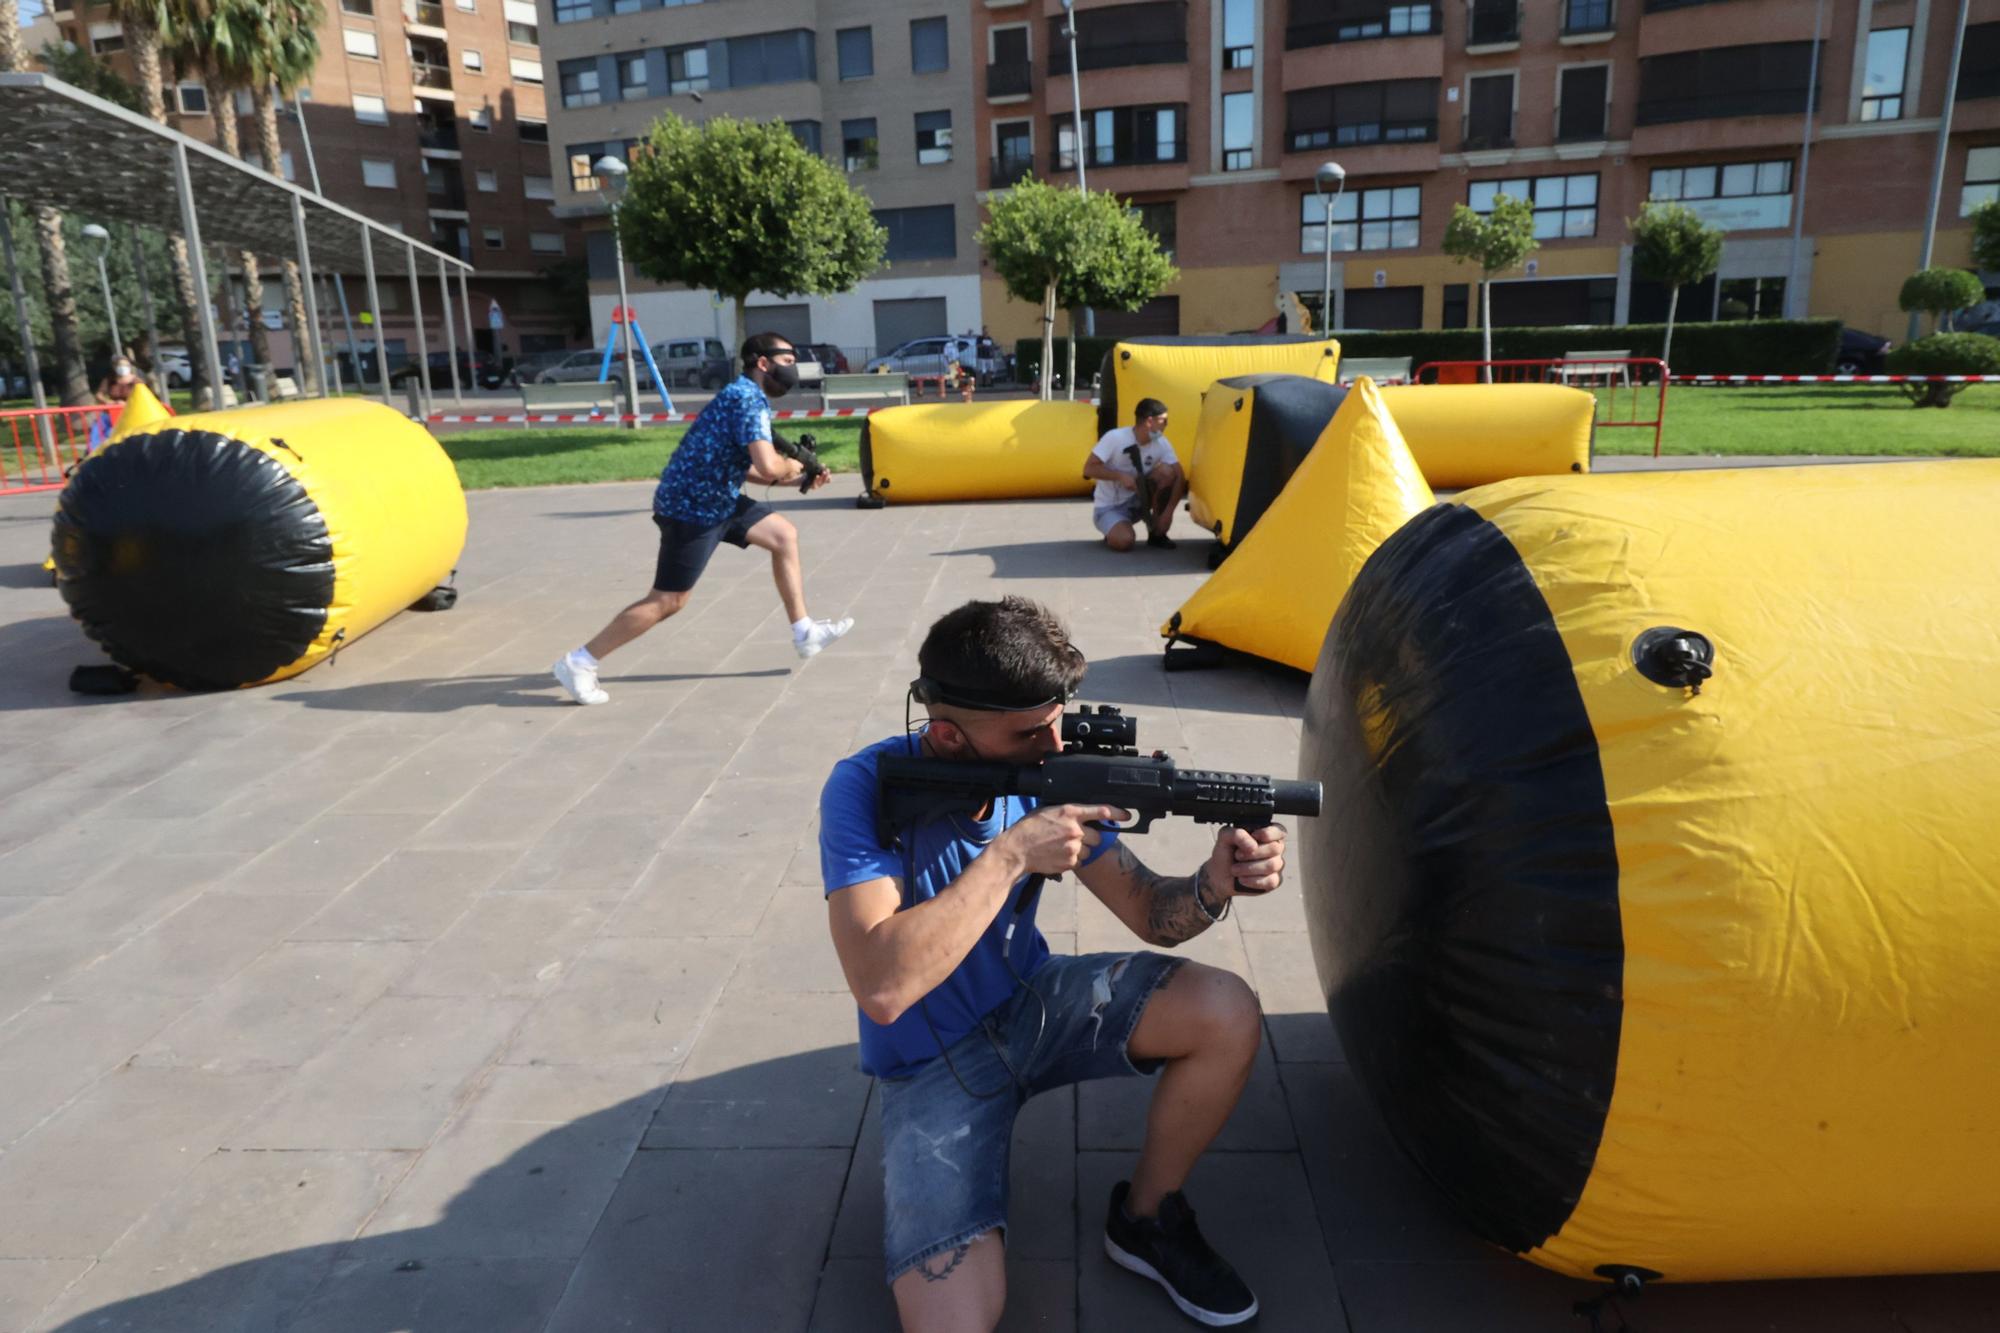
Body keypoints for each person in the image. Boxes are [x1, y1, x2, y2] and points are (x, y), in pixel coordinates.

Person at [819, 596, 1287, 1329]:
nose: (1057, 743)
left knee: (1225, 1009)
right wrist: (1011, 854)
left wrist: (1214, 881)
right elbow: (881, 984)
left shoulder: (1050, 769)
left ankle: (1146, 1217)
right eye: (1031, 732)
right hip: (929, 1060)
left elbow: (1149, 912)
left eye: (1058, 720)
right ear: (947, 736)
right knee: (953, 1320)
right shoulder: (864, 785)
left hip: (1032, 1003)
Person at [552, 332, 852, 706]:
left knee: (783, 536)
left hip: (719, 498)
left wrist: (800, 479)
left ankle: (803, 631)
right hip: (691, 508)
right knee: (669, 600)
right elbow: (769, 464)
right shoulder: (746, 400)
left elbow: (746, 470)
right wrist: (796, 464)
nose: (793, 369)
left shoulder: (743, 396)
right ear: (763, 363)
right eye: (788, 361)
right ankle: (579, 662)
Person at [1082, 397, 1187, 552]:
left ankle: (1156, 534)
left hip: (1140, 501)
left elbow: (1180, 476)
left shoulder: (1162, 443)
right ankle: (1113, 529)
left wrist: (1168, 512)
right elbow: (1088, 469)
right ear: (1149, 422)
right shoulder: (1115, 438)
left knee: (1167, 473)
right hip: (1110, 507)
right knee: (1125, 541)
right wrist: (1119, 476)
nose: (1166, 425)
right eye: (1163, 421)